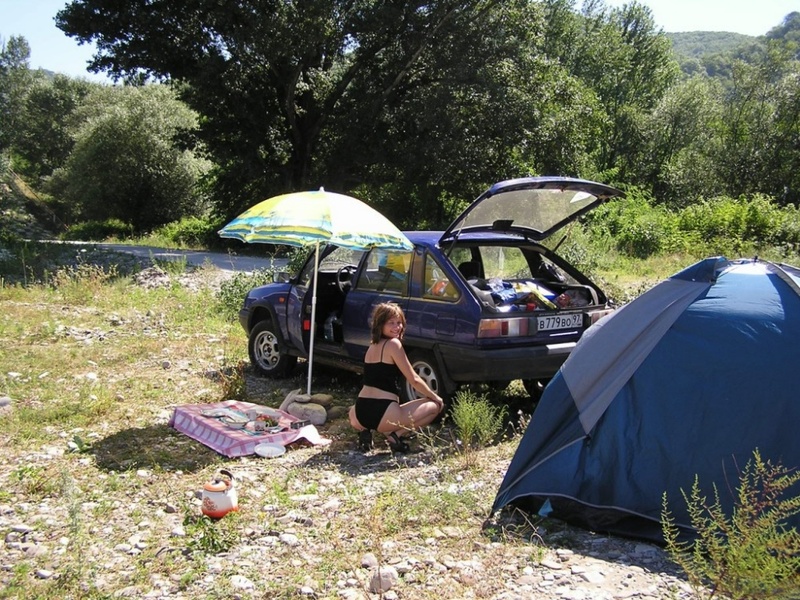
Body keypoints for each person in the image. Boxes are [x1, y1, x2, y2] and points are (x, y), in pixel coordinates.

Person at [349, 302, 444, 452]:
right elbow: (414, 379)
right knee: (433, 407)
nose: (397, 327)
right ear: (380, 324)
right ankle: (396, 435)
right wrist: (435, 397)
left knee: (378, 412)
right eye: (391, 323)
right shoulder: (394, 344)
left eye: (399, 322)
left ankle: (365, 432)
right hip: (384, 411)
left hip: (360, 413)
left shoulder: (371, 347)